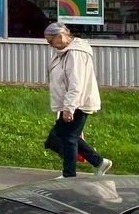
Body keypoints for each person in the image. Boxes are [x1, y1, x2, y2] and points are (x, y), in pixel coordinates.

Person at [43, 22, 112, 177]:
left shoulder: (75, 53)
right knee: (61, 136)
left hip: (78, 103)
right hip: (72, 102)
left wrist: (69, 108)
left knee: (67, 138)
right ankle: (99, 162)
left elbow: (76, 83)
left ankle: (69, 175)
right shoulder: (64, 52)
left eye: (51, 40)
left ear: (61, 36)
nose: (50, 44)